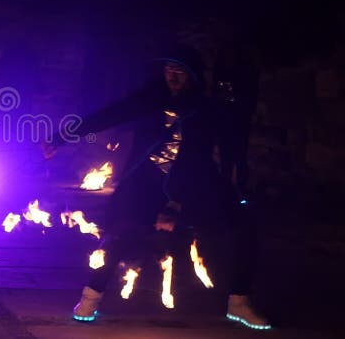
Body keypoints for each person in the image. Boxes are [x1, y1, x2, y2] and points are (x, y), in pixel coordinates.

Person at [43, 44, 271, 330]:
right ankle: (91, 296)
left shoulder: (205, 110)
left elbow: (206, 157)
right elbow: (110, 114)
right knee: (122, 233)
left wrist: (178, 203)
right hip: (145, 182)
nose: (172, 76)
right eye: (169, 69)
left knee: (241, 228)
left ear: (193, 76)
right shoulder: (149, 100)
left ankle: (239, 302)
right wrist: (62, 136)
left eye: (180, 71)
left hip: (192, 184)